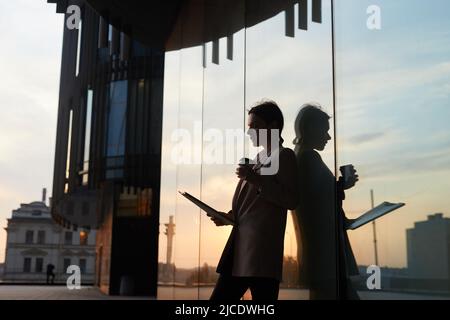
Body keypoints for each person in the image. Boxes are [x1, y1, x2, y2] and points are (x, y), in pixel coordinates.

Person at [208, 100, 299, 301]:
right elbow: (251, 206)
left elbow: (291, 199)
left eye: (255, 126)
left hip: (260, 253)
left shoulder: (284, 156)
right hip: (241, 249)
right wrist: (228, 217)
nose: (250, 132)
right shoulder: (258, 159)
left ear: (273, 126)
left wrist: (255, 179)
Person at [293, 104, 359, 300]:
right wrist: (342, 186)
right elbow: (317, 200)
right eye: (325, 131)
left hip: (319, 254)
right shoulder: (308, 157)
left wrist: (339, 187)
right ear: (311, 129)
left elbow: (316, 197)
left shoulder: (301, 155)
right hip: (325, 255)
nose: (328, 137)